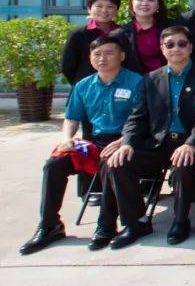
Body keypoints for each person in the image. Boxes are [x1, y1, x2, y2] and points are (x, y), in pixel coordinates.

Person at [20, 36, 143, 255]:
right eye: (97, 54)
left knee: (110, 163)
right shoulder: (83, 85)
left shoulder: (137, 82)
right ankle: (49, 226)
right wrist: (67, 138)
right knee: (54, 164)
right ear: (90, 58)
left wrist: (124, 140)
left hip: (125, 139)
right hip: (94, 141)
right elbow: (71, 117)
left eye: (109, 53)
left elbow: (143, 118)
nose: (102, 58)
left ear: (122, 56)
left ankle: (106, 225)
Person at [102, 25, 195, 248]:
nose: (176, 49)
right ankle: (136, 222)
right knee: (117, 162)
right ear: (162, 49)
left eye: (182, 44)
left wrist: (191, 144)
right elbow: (137, 116)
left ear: (190, 47)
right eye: (170, 45)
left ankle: (181, 221)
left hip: (188, 143)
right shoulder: (150, 79)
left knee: (182, 165)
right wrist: (127, 142)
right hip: (157, 143)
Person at [61, 0, 122, 86]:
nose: (104, 11)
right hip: (87, 88)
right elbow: (67, 66)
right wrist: (81, 86)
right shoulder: (78, 34)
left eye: (110, 7)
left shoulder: (124, 33)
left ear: (116, 10)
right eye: (99, 6)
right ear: (89, 9)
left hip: (119, 86)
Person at [113, 0, 175, 75]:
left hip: (167, 79)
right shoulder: (119, 34)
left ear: (158, 5)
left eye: (151, 0)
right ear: (131, 4)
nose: (145, 3)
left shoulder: (172, 27)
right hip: (135, 81)